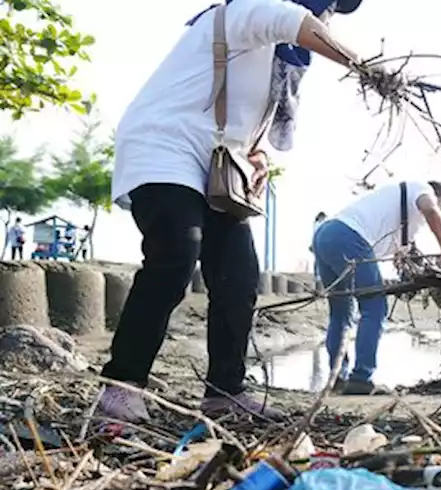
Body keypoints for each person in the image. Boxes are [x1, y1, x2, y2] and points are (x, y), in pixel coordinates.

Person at [97, 0, 374, 423]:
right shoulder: (251, 9)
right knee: (176, 253)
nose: (328, 14)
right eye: (326, 5)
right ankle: (121, 386)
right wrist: (369, 69)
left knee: (239, 274)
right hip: (162, 146)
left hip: (212, 167)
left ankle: (225, 391)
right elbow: (294, 21)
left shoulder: (273, 61)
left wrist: (255, 156)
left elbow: (240, 123)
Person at [313, 180, 441, 395]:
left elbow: (401, 259)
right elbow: (431, 211)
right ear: (440, 199)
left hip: (325, 236)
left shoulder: (399, 212)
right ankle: (361, 379)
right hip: (350, 237)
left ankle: (337, 377)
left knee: (341, 312)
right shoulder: (423, 190)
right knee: (374, 308)